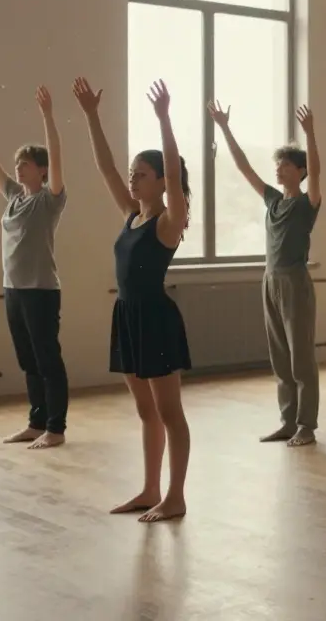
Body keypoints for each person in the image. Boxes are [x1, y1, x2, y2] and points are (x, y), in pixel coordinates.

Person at [74, 77, 192, 523]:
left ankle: (175, 496)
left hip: (155, 319)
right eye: (134, 173)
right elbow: (105, 168)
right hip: (126, 315)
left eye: (141, 174)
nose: (132, 178)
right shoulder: (131, 215)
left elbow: (175, 173)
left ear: (162, 181)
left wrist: (164, 118)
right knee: (146, 411)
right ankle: (149, 489)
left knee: (168, 411)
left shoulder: (168, 220)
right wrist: (91, 116)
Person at [0, 87, 70, 450]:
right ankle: (36, 423)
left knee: (48, 359)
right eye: (17, 162)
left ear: (41, 170)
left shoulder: (49, 201)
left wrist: (48, 115)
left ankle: (56, 427)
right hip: (13, 290)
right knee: (28, 359)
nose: (17, 167)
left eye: (25, 163)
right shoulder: (14, 197)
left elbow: (57, 154)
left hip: (41, 290)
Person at [209, 100, 322, 446]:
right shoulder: (273, 200)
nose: (278, 169)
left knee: (301, 357)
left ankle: (306, 426)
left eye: (286, 165)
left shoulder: (307, 203)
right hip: (270, 280)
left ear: (299, 171)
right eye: (278, 165)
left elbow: (317, 172)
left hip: (294, 281)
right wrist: (224, 127)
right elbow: (244, 168)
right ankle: (287, 421)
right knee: (280, 358)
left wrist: (311, 134)